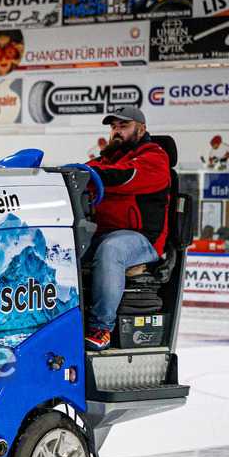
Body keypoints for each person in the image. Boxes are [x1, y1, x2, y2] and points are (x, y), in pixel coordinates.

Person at [82, 106, 170, 351]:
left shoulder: (155, 158)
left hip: (142, 239)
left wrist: (89, 173)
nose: (116, 132)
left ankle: (101, 327)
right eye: (113, 127)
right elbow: (86, 175)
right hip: (97, 234)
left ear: (141, 130)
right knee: (60, 249)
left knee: (112, 250)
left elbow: (125, 177)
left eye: (124, 126)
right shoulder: (101, 162)